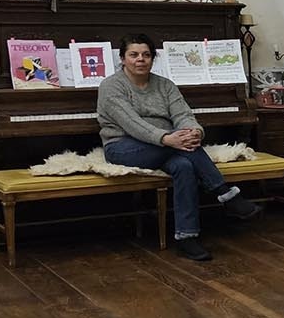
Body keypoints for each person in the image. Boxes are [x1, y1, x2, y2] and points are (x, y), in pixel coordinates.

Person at [99, 33, 260, 260]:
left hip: (167, 144)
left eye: (146, 55)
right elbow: (132, 124)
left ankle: (187, 237)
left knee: (184, 165)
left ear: (153, 59)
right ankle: (226, 195)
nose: (140, 60)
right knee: (182, 149)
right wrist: (167, 138)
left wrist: (194, 132)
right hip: (123, 147)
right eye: (133, 55)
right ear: (123, 59)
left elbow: (183, 114)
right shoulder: (111, 86)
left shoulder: (165, 85)